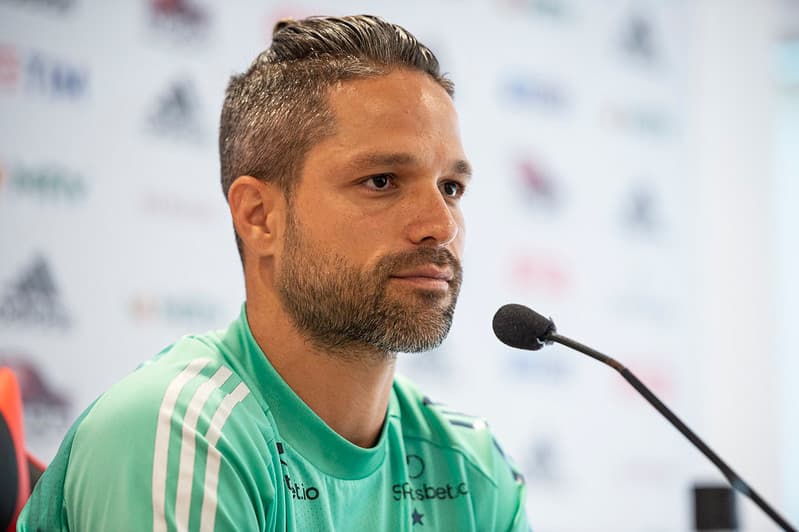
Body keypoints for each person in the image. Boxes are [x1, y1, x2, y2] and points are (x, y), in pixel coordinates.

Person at [18, 15, 530, 531]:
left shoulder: (471, 467)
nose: (441, 225)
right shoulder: (178, 433)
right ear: (259, 216)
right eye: (382, 181)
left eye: (451, 188)